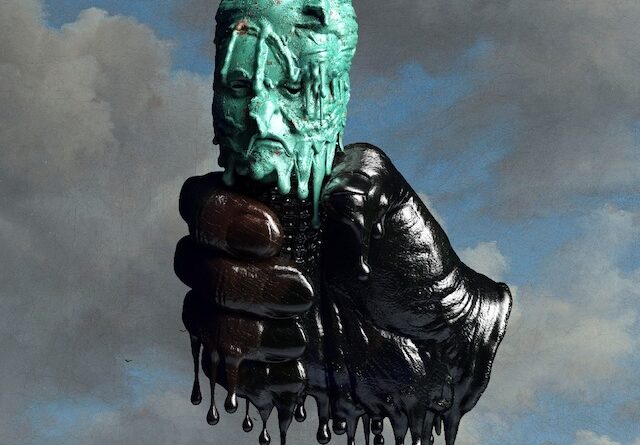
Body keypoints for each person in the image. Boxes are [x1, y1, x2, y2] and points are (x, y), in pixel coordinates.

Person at [174, 1, 512, 445]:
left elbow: (453, 333)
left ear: (339, 101)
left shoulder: (366, 205)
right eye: (237, 86)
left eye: (294, 87)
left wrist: (456, 320)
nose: (260, 114)